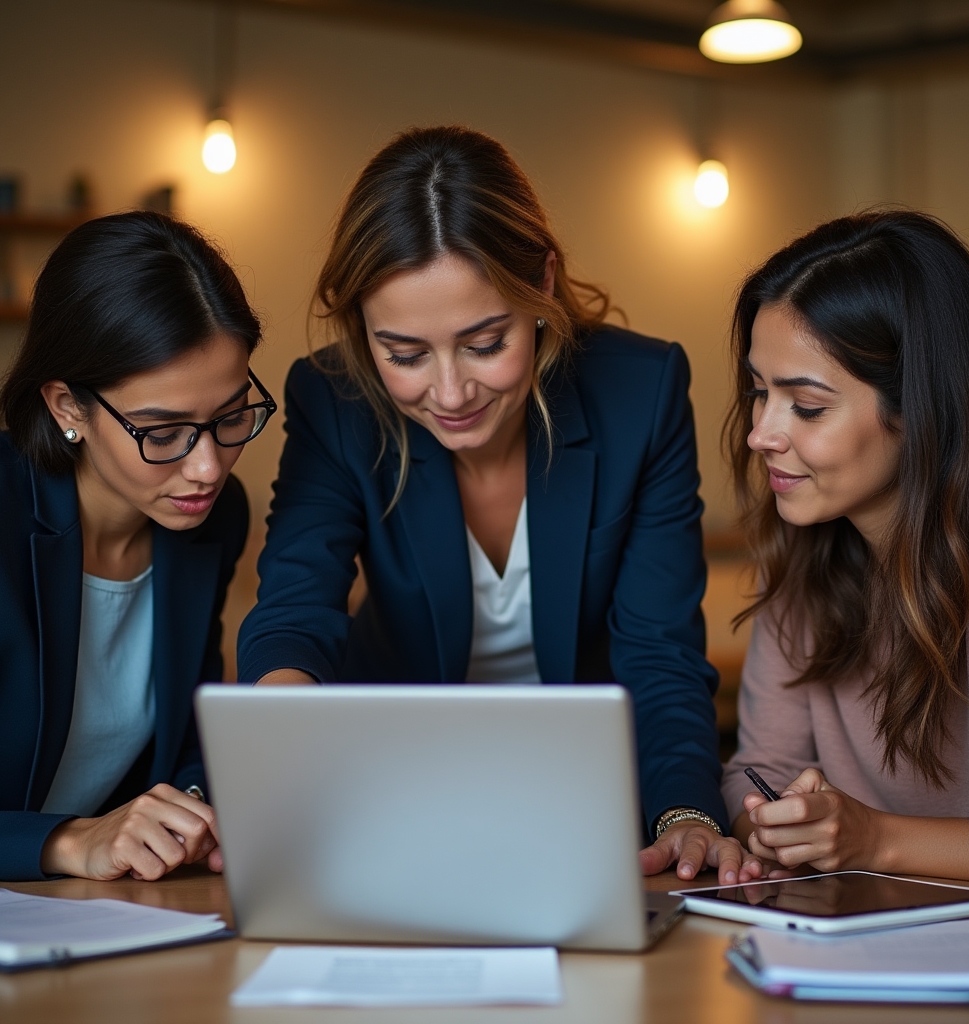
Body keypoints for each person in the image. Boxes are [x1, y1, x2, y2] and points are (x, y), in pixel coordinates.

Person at [237, 125, 755, 883]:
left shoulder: (639, 392)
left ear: (541, 284)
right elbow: (294, 606)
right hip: (392, 788)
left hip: (584, 799)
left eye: (484, 344)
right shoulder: (334, 399)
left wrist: (684, 814)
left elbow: (659, 649)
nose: (450, 393)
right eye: (404, 354)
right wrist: (283, 742)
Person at [720, 210, 969, 887]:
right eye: (759, 393)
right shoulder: (807, 532)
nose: (760, 434)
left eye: (806, 406)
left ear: (919, 406)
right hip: (863, 928)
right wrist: (776, 823)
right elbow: (758, 770)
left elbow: (863, 841)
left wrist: (872, 840)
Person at [0, 211, 276, 882]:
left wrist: (192, 809)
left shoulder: (213, 519)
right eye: (162, 431)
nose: (208, 468)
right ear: (67, 407)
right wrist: (70, 841)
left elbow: (187, 739)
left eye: (231, 416)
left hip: (110, 909)